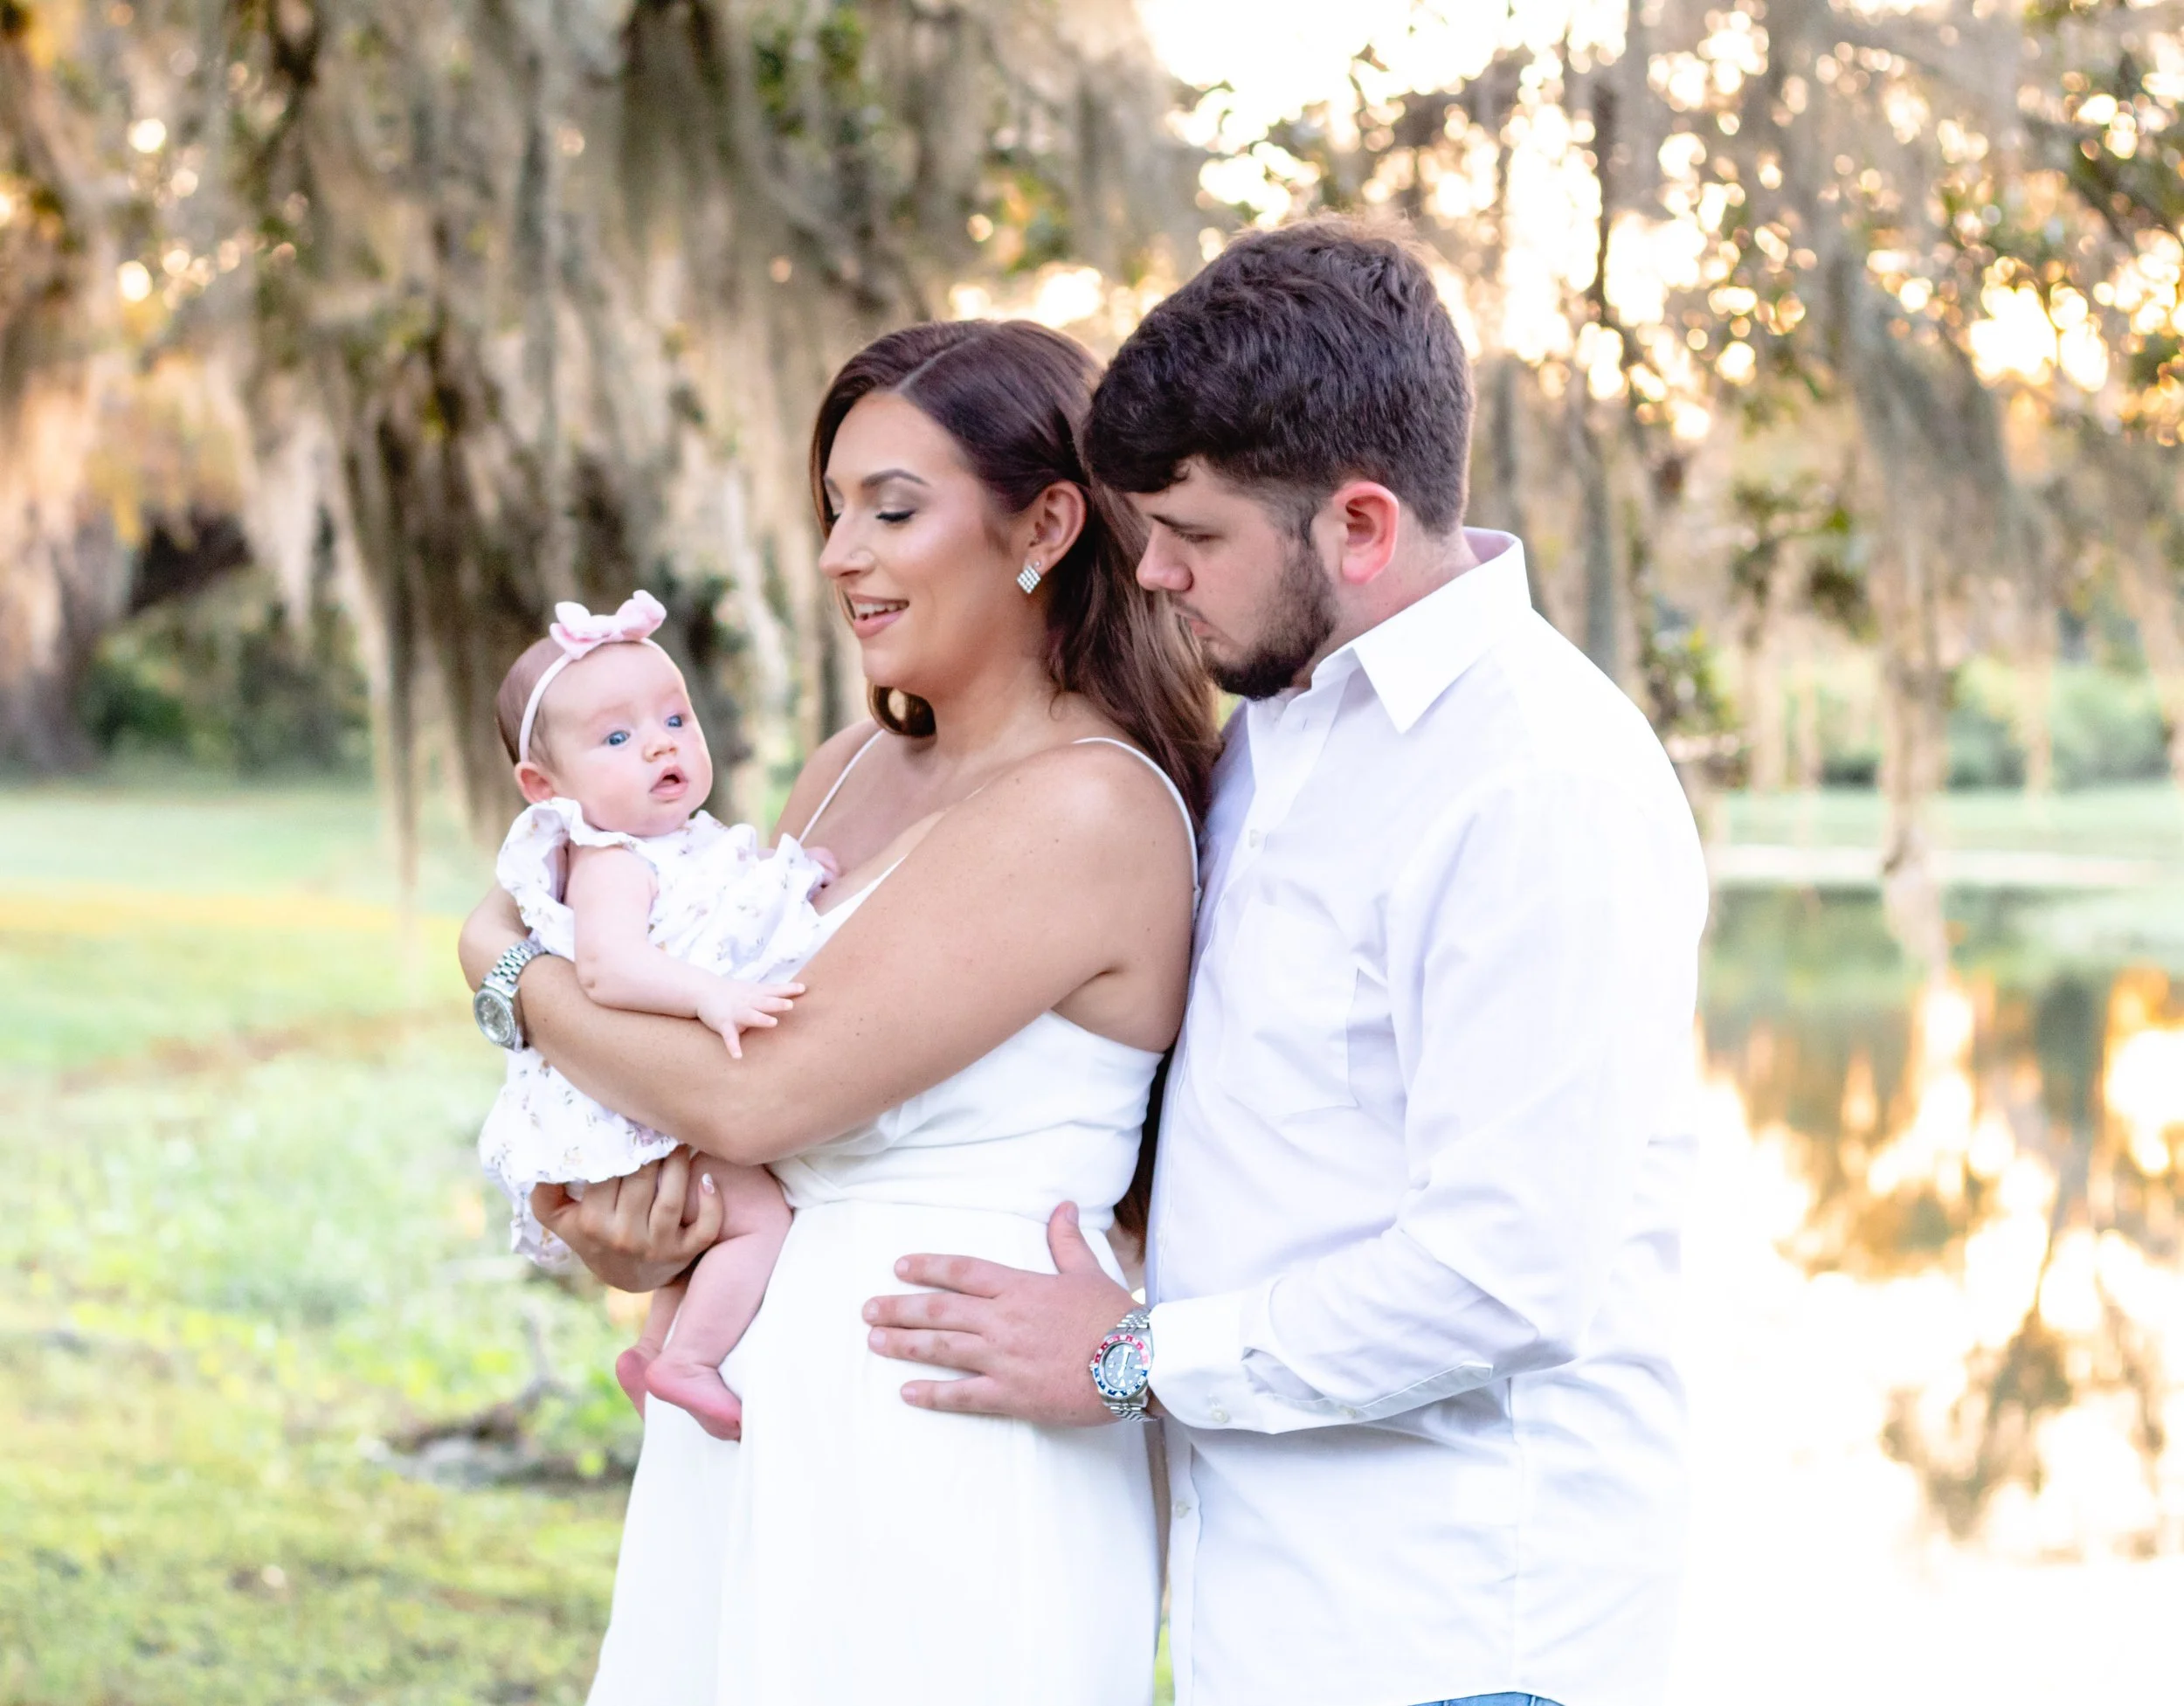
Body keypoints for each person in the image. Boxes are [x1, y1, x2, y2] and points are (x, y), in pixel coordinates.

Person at [861, 220, 1710, 1706]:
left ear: (1360, 526)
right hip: (1265, 1614)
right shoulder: (1279, 725)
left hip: (1456, 1631)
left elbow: (1506, 1275)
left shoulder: (1535, 782)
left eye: (1193, 537)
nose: (1158, 576)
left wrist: (1133, 1359)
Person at [456, 318, 1218, 1704]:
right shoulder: (848, 767)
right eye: (832, 509)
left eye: (893, 508)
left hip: (943, 1427)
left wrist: (508, 976)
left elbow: (758, 1092)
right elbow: (706, 1100)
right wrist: (656, 1236)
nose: (838, 554)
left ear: (1046, 523)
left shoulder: (1088, 804)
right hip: (756, 1414)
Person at [475, 587, 826, 1438]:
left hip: (655, 1093)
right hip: (619, 1102)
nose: (661, 744)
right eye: (618, 738)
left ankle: (655, 1351)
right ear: (543, 785)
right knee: (756, 1219)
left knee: (709, 1222)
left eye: (676, 719)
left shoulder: (685, 844)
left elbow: (727, 911)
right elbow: (607, 968)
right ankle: (687, 1360)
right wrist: (711, 995)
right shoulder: (609, 859)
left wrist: (794, 878)